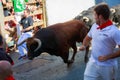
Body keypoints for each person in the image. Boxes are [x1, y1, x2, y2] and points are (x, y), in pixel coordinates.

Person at [79, 3, 120, 80]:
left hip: (108, 66)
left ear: (100, 16)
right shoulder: (94, 26)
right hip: (93, 63)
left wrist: (107, 57)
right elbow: (87, 38)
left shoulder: (114, 31)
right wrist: (84, 45)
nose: (94, 17)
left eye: (95, 15)